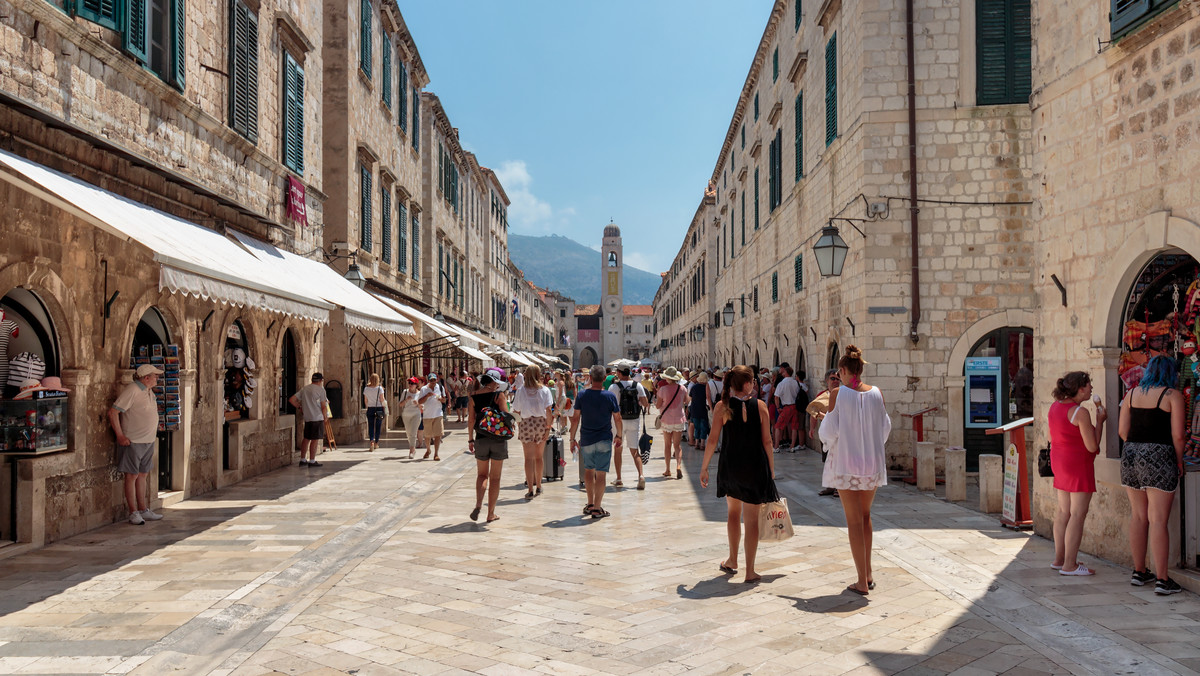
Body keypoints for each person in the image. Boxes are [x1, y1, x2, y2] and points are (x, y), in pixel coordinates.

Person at [819, 346, 891, 595]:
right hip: (871, 463)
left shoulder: (837, 394)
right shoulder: (877, 393)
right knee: (865, 517)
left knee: (853, 522)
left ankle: (861, 581)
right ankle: (868, 573)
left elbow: (828, 432)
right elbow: (885, 429)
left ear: (841, 371)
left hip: (847, 463)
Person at [699, 365, 778, 583]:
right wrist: (771, 469)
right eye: (752, 380)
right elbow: (767, 441)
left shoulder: (721, 407)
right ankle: (750, 570)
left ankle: (733, 560)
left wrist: (704, 467)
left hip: (731, 466)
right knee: (751, 520)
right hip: (754, 467)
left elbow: (713, 439)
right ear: (747, 384)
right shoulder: (761, 406)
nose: (755, 384)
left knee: (733, 514)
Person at [1118, 356, 1185, 594]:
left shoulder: (1131, 394)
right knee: (1158, 520)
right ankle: (1163, 580)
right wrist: (1178, 461)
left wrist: (1139, 448)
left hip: (1131, 455)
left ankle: (1139, 571)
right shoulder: (1172, 396)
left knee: (1138, 516)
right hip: (1159, 455)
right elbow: (1178, 436)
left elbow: (1122, 431)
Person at [1049, 371, 1106, 577]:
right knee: (1078, 515)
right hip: (1078, 465)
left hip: (1060, 463)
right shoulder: (1080, 412)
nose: (1091, 388)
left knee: (1064, 512)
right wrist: (1100, 422)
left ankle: (1060, 559)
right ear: (1080, 389)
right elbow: (1092, 446)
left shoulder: (1055, 407)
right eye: (1088, 385)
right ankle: (1070, 565)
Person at [109, 364, 166, 525]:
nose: (157, 378)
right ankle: (133, 512)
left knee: (142, 475)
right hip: (134, 441)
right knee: (131, 476)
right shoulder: (132, 390)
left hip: (147, 441)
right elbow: (113, 412)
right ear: (146, 377)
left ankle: (143, 509)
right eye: (155, 375)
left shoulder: (148, 391)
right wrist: (120, 436)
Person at [570, 364, 622, 518]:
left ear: (590, 378)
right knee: (601, 474)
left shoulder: (582, 395)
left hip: (586, 438)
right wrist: (619, 435)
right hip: (604, 439)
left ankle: (590, 503)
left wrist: (572, 438)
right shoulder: (610, 396)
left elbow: (575, 419)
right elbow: (617, 418)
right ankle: (597, 508)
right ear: (605, 378)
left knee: (588, 471)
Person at [468, 369, 510, 523]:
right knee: (495, 478)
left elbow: (471, 420)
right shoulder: (499, 395)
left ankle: (478, 504)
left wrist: (470, 440)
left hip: (480, 438)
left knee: (482, 475)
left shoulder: (473, 397)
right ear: (495, 382)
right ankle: (490, 513)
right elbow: (506, 416)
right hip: (498, 439)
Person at [513, 364, 554, 499]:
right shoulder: (545, 390)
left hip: (526, 423)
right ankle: (539, 486)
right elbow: (549, 411)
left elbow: (516, 411)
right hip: (541, 423)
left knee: (528, 458)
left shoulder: (520, 390)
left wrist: (519, 425)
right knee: (538, 457)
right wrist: (548, 428)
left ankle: (530, 488)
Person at [609, 366, 649, 489]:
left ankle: (619, 478)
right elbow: (646, 403)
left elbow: (609, 405)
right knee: (634, 450)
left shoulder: (614, 387)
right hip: (634, 420)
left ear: (619, 373)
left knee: (618, 449)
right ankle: (641, 475)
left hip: (618, 421)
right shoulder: (638, 385)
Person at [289, 372, 329, 468]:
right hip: (317, 417)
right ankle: (312, 460)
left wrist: (300, 407)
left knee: (306, 438)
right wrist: (325, 417)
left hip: (307, 417)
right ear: (320, 380)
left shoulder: (304, 389)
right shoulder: (321, 390)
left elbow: (292, 400)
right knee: (314, 440)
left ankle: (303, 459)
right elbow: (323, 406)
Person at [656, 366, 690, 480]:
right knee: (677, 445)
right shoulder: (682, 388)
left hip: (667, 419)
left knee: (667, 445)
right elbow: (687, 401)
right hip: (679, 418)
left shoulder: (662, 390)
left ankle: (667, 470)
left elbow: (658, 405)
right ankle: (679, 466)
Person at [811, 370, 842, 497]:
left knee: (839, 461)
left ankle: (839, 487)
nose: (835, 381)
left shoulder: (843, 394)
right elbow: (813, 410)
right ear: (827, 381)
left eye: (837, 378)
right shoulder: (822, 395)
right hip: (827, 432)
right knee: (828, 461)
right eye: (832, 378)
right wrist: (811, 428)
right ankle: (830, 486)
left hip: (840, 433)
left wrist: (825, 416)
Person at [418, 373, 447, 460]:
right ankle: (428, 450)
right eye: (431, 380)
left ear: (437, 380)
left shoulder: (440, 387)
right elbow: (419, 401)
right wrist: (427, 396)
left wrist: (441, 399)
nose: (433, 382)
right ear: (428, 380)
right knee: (427, 436)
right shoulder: (424, 389)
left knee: (438, 435)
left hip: (438, 414)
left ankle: (436, 454)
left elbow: (444, 400)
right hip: (427, 415)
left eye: (434, 380)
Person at [773, 366, 801, 452]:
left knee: (778, 426)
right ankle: (792, 446)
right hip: (795, 406)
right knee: (794, 427)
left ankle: (776, 447)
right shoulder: (795, 382)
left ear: (786, 372)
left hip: (787, 407)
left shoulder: (782, 383)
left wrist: (778, 407)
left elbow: (776, 396)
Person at [397, 377, 423, 458]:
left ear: (416, 385)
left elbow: (422, 407)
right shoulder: (405, 392)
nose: (410, 385)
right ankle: (412, 447)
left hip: (416, 414)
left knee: (413, 432)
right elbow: (400, 404)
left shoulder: (420, 393)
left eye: (412, 383)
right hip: (406, 415)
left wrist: (417, 404)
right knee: (408, 433)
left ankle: (412, 450)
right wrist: (406, 400)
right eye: (409, 383)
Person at [363, 373, 386, 452]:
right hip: (379, 408)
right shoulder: (380, 388)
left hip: (370, 408)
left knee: (371, 425)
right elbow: (382, 399)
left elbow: (365, 400)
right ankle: (376, 443)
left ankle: (371, 441)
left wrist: (368, 406)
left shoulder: (366, 389)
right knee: (378, 426)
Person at [688, 372, 710, 450]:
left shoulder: (694, 387)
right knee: (704, 426)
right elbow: (708, 398)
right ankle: (702, 444)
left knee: (697, 427)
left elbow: (690, 398)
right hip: (703, 409)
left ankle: (697, 443)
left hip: (694, 409)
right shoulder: (707, 387)